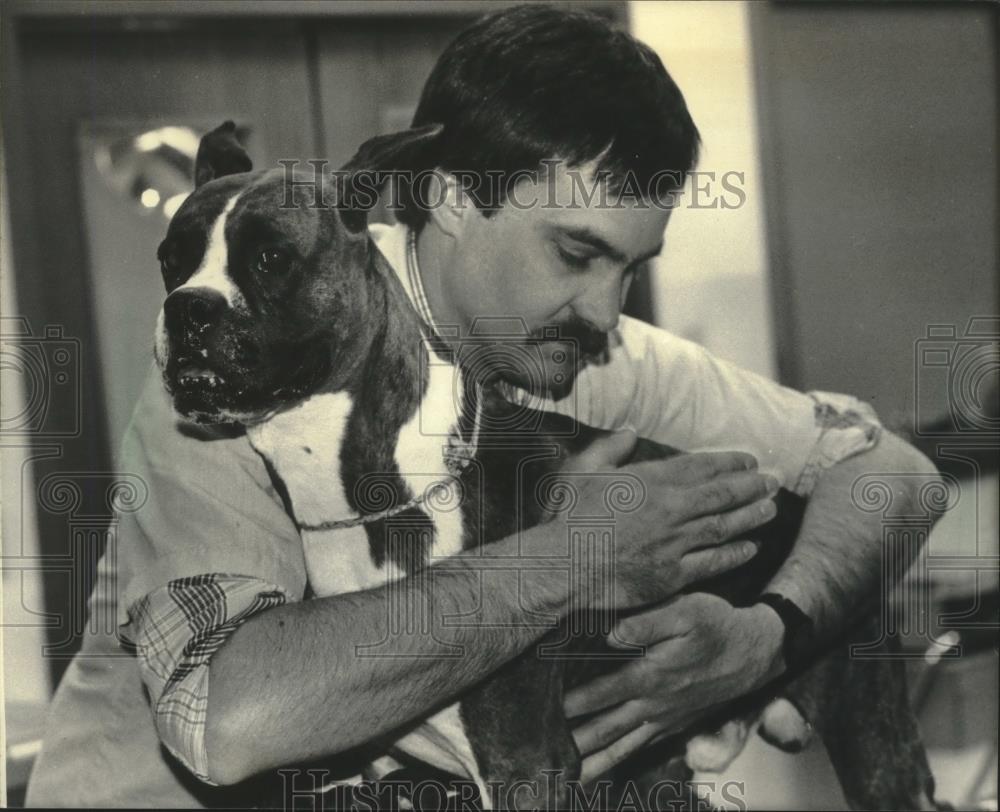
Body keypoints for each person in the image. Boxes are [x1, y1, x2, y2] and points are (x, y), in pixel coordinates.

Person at [26, 5, 939, 807]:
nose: (605, 309)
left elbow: (893, 474)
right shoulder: (249, 376)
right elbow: (229, 722)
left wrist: (768, 636)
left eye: (630, 268)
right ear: (454, 199)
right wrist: (577, 559)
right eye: (576, 253)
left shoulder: (574, 345)